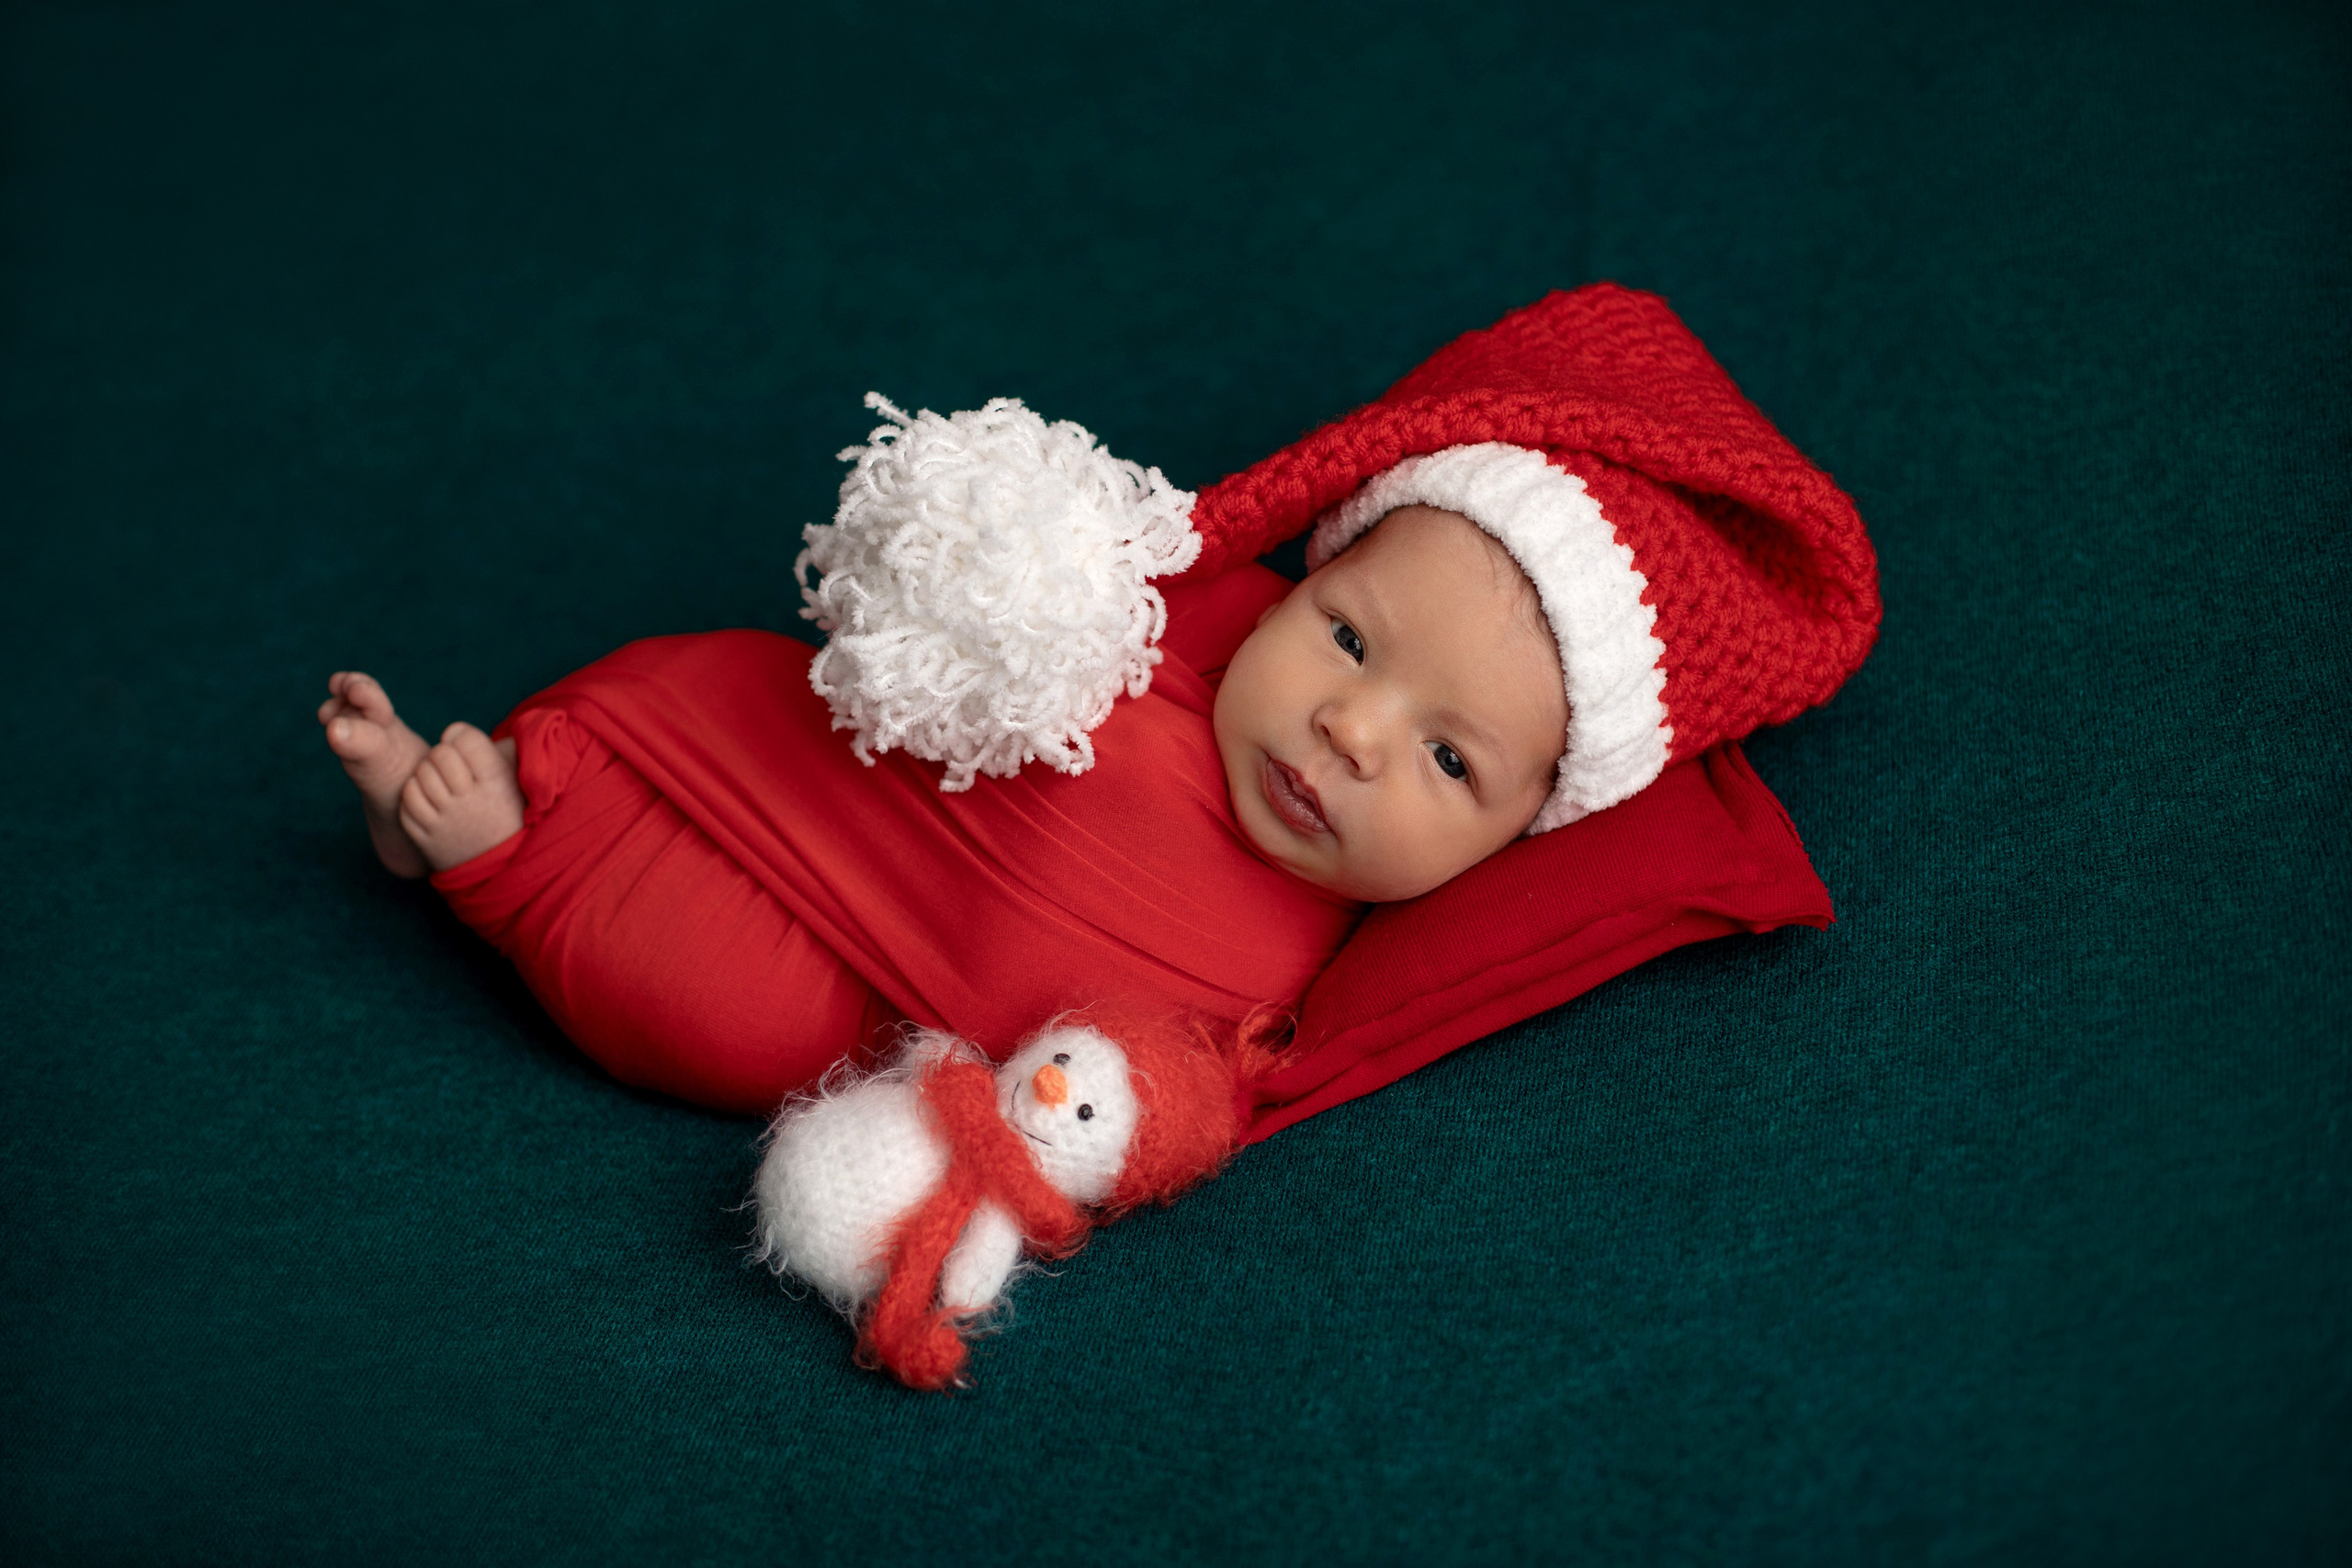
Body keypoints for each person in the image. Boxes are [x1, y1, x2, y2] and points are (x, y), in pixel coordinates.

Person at [315, 283, 1881, 1118]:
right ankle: (523, 780)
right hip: (840, 798)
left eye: (1450, 756)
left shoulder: (1322, 962)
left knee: (737, 1028)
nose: (1352, 729)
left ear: (1524, 830)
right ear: (1299, 577)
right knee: (743, 698)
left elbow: (1156, 1105)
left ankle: (507, 863)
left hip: (871, 997)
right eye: (1346, 641)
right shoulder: (1171, 635)